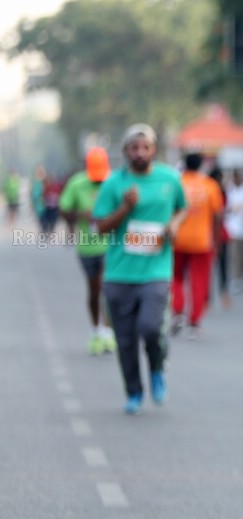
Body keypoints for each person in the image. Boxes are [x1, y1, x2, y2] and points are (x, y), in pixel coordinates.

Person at [92, 124, 187, 414]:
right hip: (119, 273)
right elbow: (100, 229)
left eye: (145, 147)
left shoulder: (169, 179)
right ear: (125, 152)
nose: (140, 153)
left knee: (149, 326)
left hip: (156, 270)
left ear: (154, 150)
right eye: (134, 148)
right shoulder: (113, 184)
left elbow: (182, 208)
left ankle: (157, 368)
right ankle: (134, 391)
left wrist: (173, 224)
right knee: (124, 340)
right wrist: (124, 208)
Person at [59, 147, 117, 355]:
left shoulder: (113, 182)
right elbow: (64, 209)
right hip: (87, 246)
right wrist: (79, 215)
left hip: (111, 246)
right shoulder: (77, 183)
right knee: (94, 291)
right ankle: (96, 330)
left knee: (107, 288)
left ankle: (108, 333)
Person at [170, 154, 225, 338]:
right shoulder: (210, 186)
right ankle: (194, 322)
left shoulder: (175, 183)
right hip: (202, 242)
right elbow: (218, 216)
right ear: (201, 165)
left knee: (175, 278)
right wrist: (216, 241)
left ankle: (177, 312)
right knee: (199, 281)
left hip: (176, 240)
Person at [209, 166, 232, 309]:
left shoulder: (221, 192)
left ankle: (222, 294)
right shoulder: (210, 191)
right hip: (211, 235)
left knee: (222, 267)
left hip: (218, 235)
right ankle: (208, 297)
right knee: (209, 269)